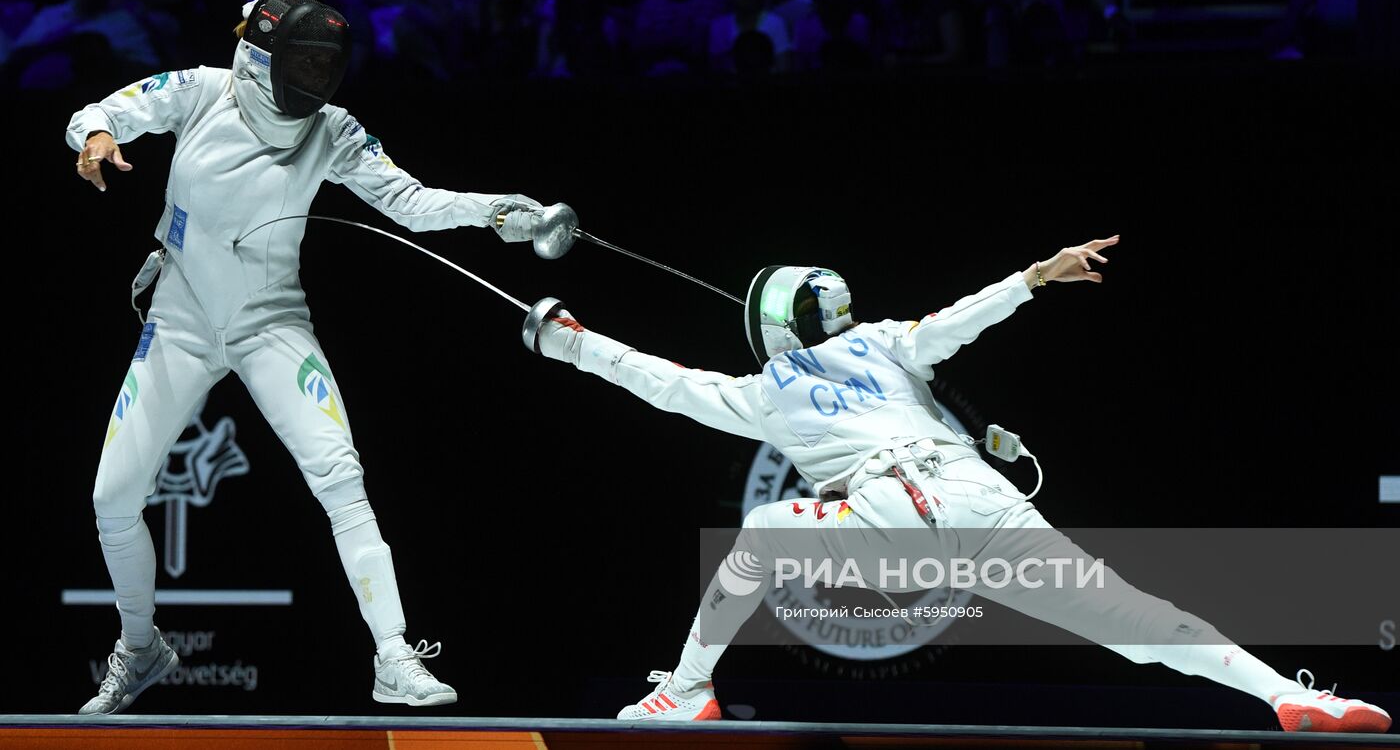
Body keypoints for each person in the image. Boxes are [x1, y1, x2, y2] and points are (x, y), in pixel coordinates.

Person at [523, 237, 1392, 734]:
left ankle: (687, 689)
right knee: (1137, 623)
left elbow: (657, 378)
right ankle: (1294, 696)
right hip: (984, 505)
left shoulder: (761, 392)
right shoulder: (890, 342)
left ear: (773, 327)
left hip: (891, 517)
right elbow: (957, 322)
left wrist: (565, 339)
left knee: (765, 533)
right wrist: (1034, 277)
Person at [67, 0, 557, 714]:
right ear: (261, 53)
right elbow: (97, 113)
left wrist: (493, 212)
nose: (316, 78)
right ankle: (141, 650)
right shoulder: (202, 93)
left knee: (338, 474)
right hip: (180, 320)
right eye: (304, 60)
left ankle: (393, 654)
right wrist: (99, 139)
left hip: (272, 322)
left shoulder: (333, 130)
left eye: (327, 64)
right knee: (113, 498)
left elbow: (412, 203)